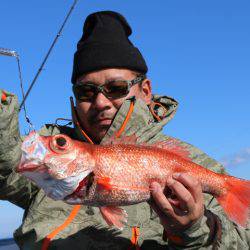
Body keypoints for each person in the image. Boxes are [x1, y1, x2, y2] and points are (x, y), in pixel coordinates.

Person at [0, 11, 249, 250]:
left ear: (146, 90)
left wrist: (195, 230)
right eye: (86, 92)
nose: (100, 102)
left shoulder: (196, 163)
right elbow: (6, 171)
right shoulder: (48, 171)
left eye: (116, 88)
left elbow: (244, 239)